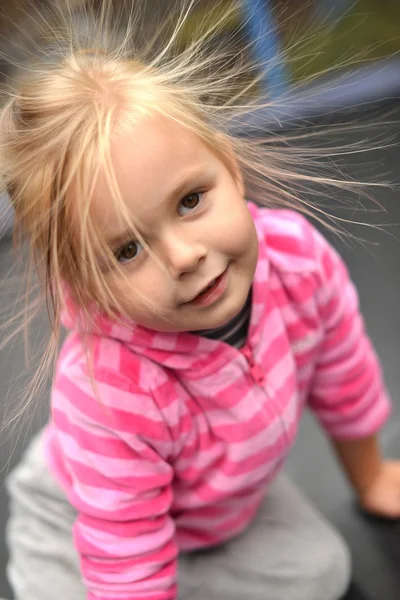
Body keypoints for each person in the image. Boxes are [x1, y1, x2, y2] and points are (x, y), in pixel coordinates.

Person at [2, 2, 400, 600]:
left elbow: (344, 372)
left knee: (321, 572)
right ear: (86, 284)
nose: (184, 256)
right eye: (128, 250)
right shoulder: (109, 391)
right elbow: (126, 554)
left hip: (214, 505)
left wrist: (371, 477)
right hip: (87, 511)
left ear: (229, 168)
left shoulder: (297, 260)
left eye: (190, 200)